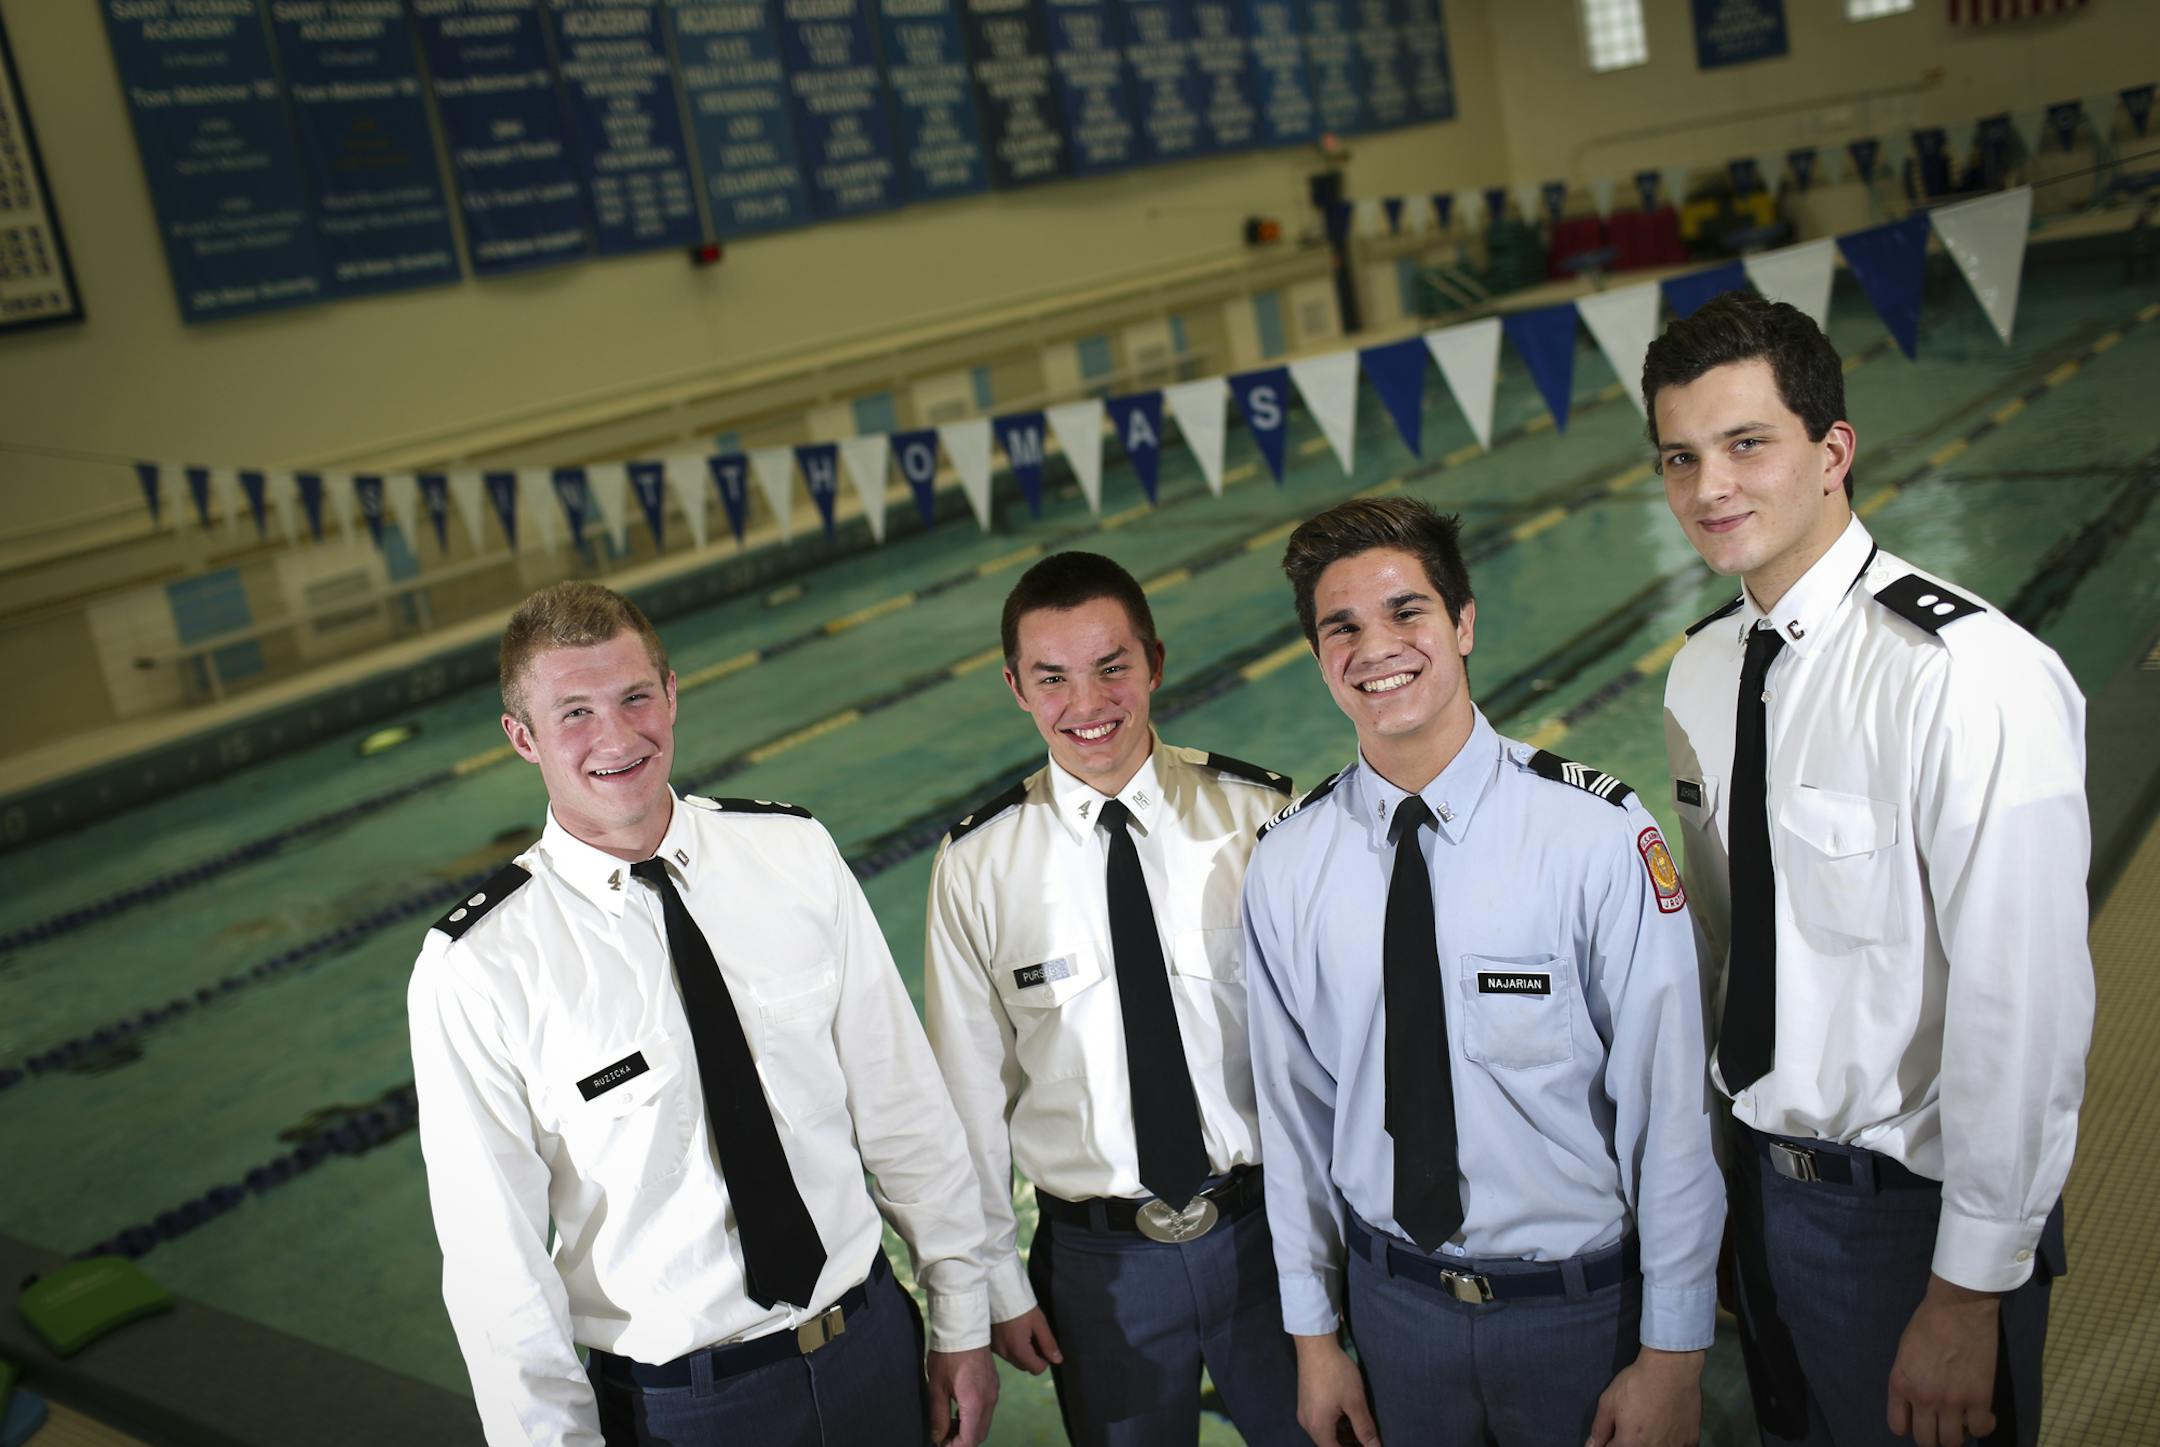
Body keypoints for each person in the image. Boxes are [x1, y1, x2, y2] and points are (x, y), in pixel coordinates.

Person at [1649, 292, 2094, 1447]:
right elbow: (1723, 950)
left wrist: (1968, 1291)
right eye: (1681, 457)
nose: (1710, 489)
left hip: (1910, 1216)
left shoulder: (1966, 677)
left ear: (1833, 450)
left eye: (1748, 444)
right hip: (1763, 1190)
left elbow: (2026, 1011)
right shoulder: (1698, 677)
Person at [407, 582, 997, 1447]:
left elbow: (904, 1106)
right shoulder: (480, 968)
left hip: (871, 1348)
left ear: (673, 693)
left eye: (635, 696)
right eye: (574, 712)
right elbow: (498, 1271)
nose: (617, 736)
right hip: (685, 1411)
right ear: (522, 737)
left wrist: (962, 1317)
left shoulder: (793, 853)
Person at [1242, 497, 1725, 1447]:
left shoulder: (1593, 836)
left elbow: (1672, 1107)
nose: (1375, 647)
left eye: (1406, 612)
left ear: (1463, 622)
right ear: (1316, 656)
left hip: (1579, 1312)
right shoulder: (1289, 865)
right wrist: (1314, 1337)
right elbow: (1294, 1123)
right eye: (1342, 627)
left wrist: (1675, 1352)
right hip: (1394, 1316)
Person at [923, 552, 1307, 1446]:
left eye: (1111, 668)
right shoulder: (977, 867)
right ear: (1016, 686)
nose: (1087, 703)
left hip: (1271, 1236)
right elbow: (968, 1104)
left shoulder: (1258, 817)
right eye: (1053, 678)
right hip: (1100, 1270)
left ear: (1155, 663)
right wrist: (997, 1286)